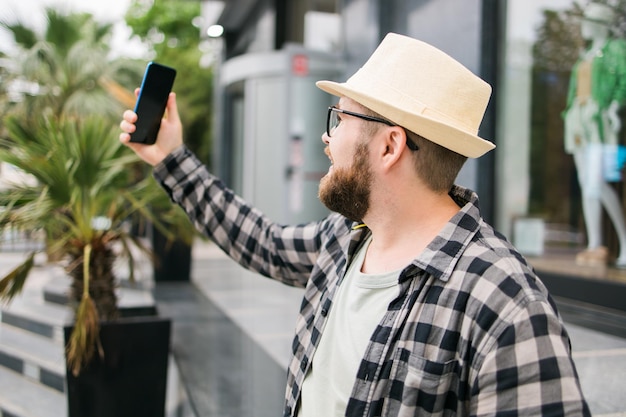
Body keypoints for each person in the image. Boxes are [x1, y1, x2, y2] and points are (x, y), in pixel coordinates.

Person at [121, 33, 590, 416]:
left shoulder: (505, 305)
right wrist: (169, 157)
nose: (327, 138)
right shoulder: (347, 237)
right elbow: (263, 242)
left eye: (339, 119)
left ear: (389, 146)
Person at [563, 2, 626, 267]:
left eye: (589, 20)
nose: (584, 25)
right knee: (586, 183)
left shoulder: (615, 49)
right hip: (579, 119)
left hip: (599, 121)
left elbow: (623, 78)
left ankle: (623, 241)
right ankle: (595, 243)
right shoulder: (587, 53)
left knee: (596, 182)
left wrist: (614, 106)